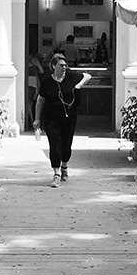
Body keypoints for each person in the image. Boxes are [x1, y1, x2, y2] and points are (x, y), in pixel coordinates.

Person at [32, 53, 91, 188]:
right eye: (61, 65)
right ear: (53, 66)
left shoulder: (71, 77)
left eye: (65, 65)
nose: (64, 68)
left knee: (66, 144)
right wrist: (37, 119)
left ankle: (64, 165)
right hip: (51, 117)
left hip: (69, 117)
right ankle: (56, 173)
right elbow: (40, 100)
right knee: (54, 144)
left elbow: (87, 76)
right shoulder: (47, 82)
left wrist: (80, 85)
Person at [25, 51, 45, 131]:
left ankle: (31, 121)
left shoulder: (23, 58)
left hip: (25, 82)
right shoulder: (35, 60)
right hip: (33, 82)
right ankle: (34, 121)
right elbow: (42, 71)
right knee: (35, 102)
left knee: (29, 103)